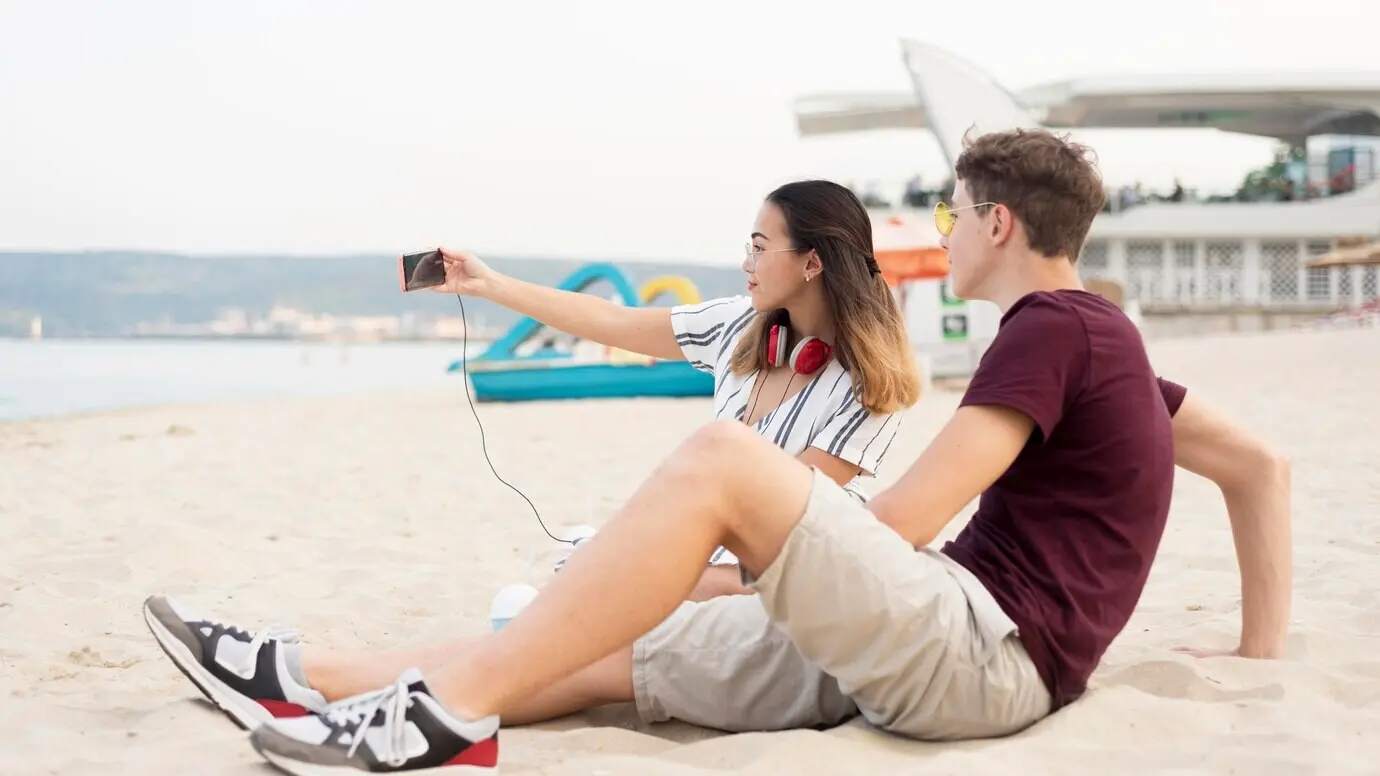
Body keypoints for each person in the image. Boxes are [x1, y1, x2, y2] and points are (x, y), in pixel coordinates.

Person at [152, 130, 1291, 775]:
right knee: (600, 653)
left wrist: (739, 539)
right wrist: (1257, 648)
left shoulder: (1052, 330)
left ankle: (445, 717)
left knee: (719, 462)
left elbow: (896, 525)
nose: (939, 234)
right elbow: (1259, 467)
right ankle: (299, 674)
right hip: (929, 654)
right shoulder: (1107, 349)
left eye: (951, 215)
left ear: (1000, 225)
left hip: (976, 657)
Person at [141, 179, 922, 727]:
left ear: (811, 261)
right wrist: (490, 285)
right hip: (703, 574)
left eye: (760, 245)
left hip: (775, 599)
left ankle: (303, 674)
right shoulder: (744, 333)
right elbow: (608, 321)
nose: (746, 261)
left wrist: (657, 575)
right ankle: (310, 676)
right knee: (534, 618)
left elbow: (792, 546)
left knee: (538, 628)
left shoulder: (867, 386)